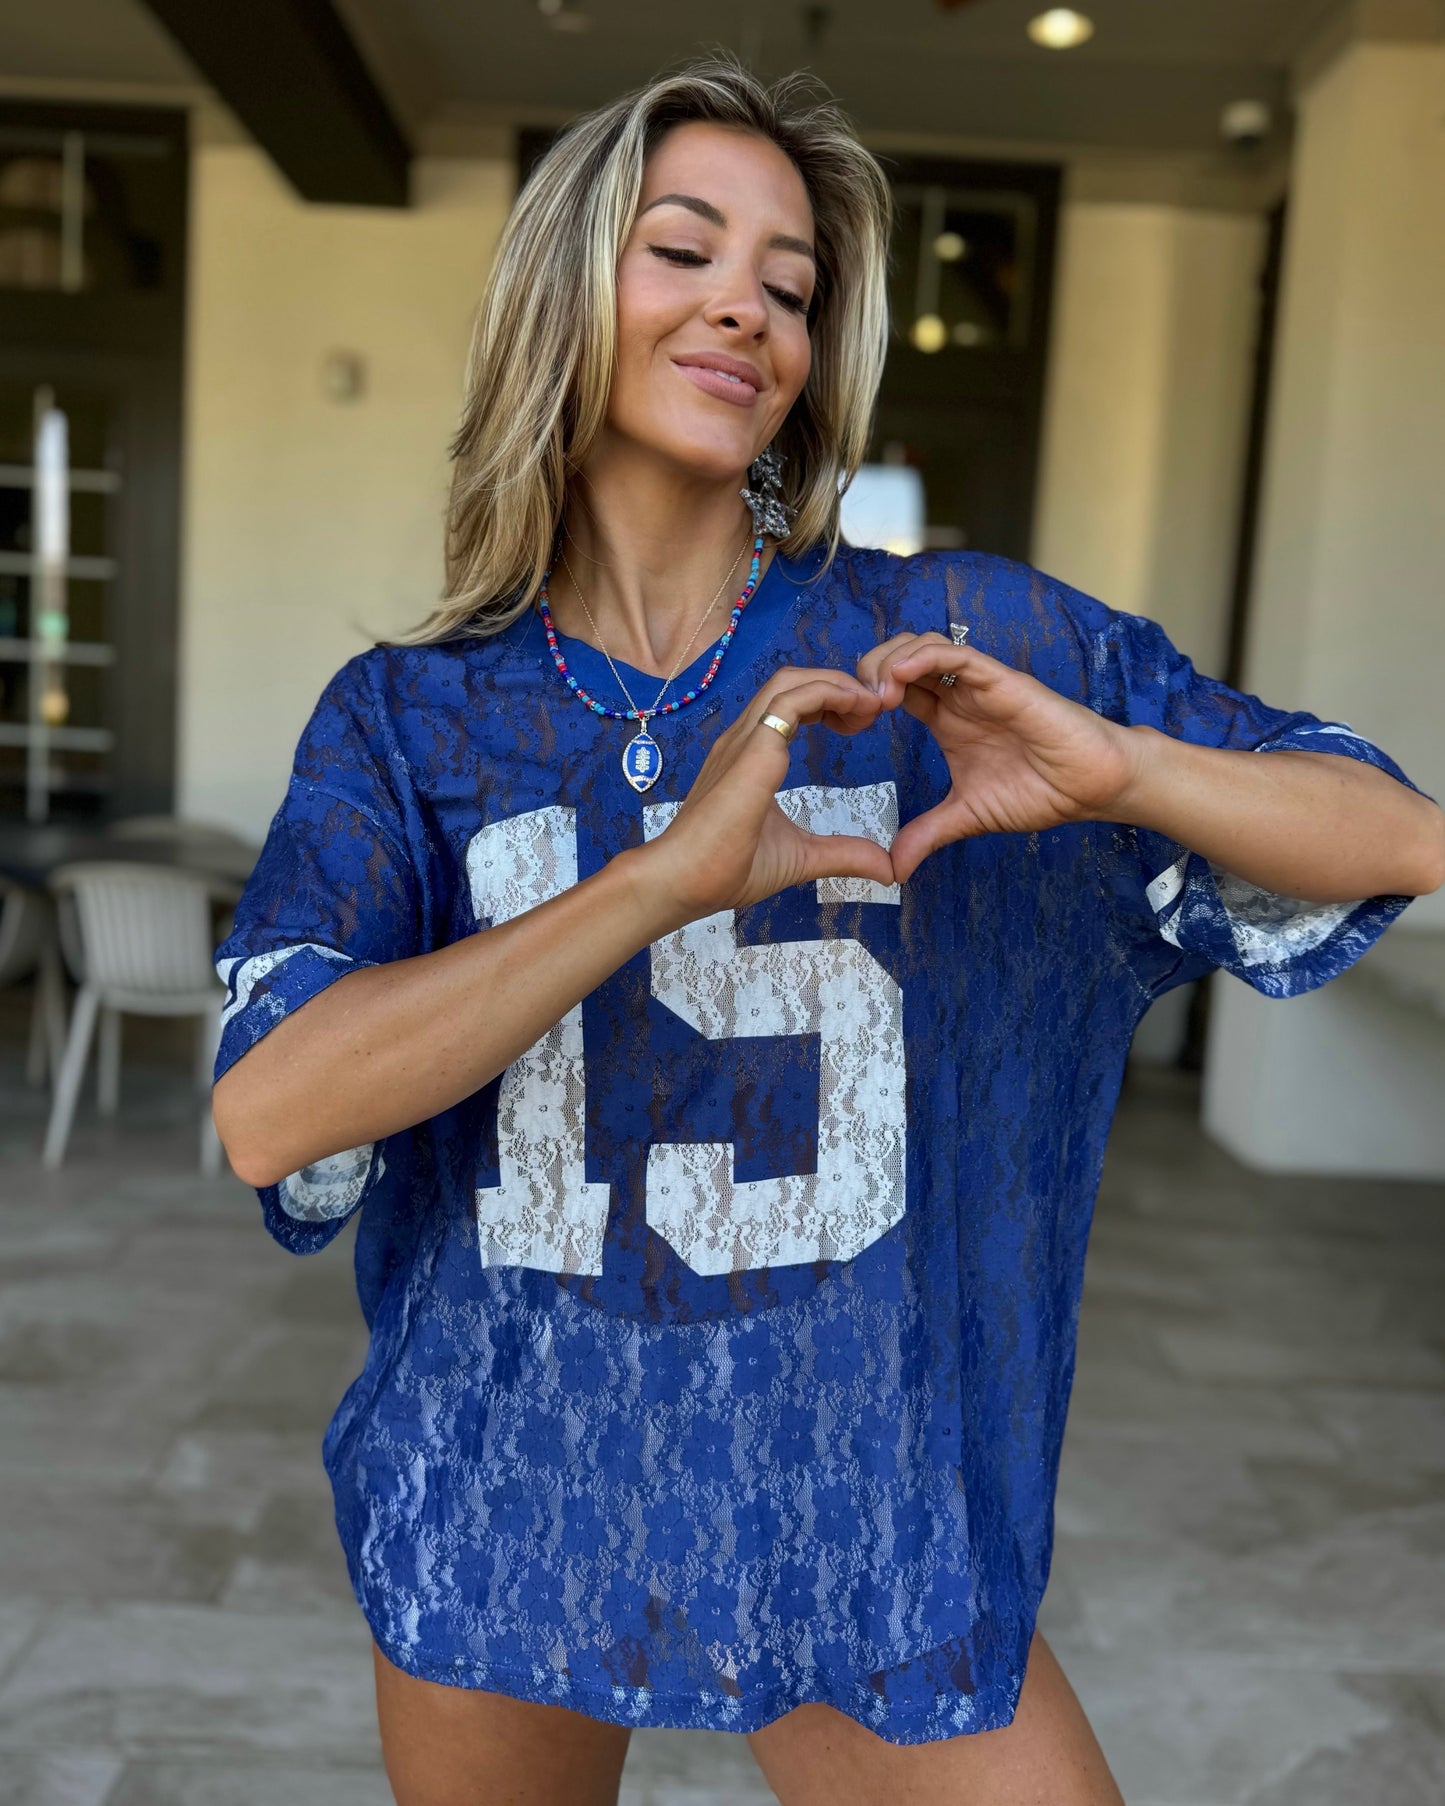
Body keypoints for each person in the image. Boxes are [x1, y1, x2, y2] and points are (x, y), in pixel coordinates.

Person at [210, 52, 1443, 1806]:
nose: (745, 310)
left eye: (789, 285)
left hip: (847, 1485)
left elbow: (1396, 836)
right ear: (566, 292)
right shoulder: (412, 721)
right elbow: (269, 1106)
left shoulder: (939, 643)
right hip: (508, 1471)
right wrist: (655, 880)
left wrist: (1124, 771)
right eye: (685, 251)